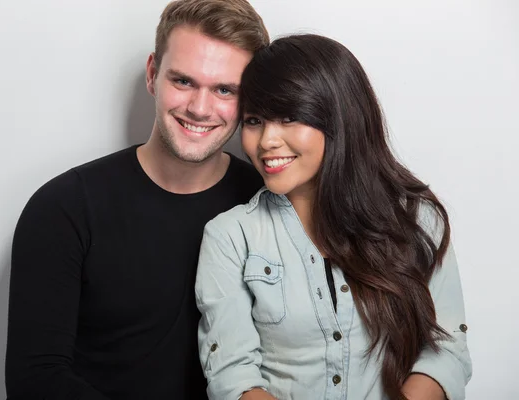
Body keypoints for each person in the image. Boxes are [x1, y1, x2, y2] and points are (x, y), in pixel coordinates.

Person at [4, 1, 269, 399]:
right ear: (152, 74)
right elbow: (35, 380)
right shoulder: (64, 207)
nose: (199, 108)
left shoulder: (267, 202)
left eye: (224, 90)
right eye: (183, 81)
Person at [195, 34, 472, 400]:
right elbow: (233, 377)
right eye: (255, 120)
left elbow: (446, 351)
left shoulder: (416, 220)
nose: (266, 141)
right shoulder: (230, 237)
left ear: (338, 116)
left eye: (290, 117)